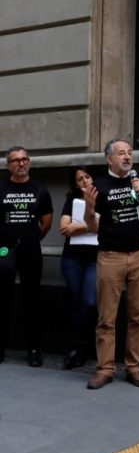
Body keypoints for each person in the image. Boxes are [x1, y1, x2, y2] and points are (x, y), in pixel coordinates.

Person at [83, 138, 139, 389]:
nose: (127, 157)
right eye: (121, 153)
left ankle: (134, 367)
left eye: (129, 153)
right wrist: (90, 209)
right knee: (107, 317)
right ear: (109, 159)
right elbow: (93, 227)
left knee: (138, 315)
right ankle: (105, 369)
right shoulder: (99, 185)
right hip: (111, 256)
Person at [0, 147, 53, 366]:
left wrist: (31, 238)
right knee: (2, 299)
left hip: (30, 249)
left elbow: (46, 221)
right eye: (15, 160)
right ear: (8, 165)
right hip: (4, 250)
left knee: (32, 299)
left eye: (24, 159)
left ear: (29, 162)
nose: (21, 163)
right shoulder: (1, 189)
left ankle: (33, 349)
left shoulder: (40, 190)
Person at [58, 166, 98, 369]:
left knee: (89, 302)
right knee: (75, 302)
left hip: (95, 261)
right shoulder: (71, 202)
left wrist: (80, 226)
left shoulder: (103, 199)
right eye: (79, 179)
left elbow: (106, 223)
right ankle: (77, 349)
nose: (84, 181)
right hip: (72, 260)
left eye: (87, 176)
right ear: (75, 184)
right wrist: (92, 224)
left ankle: (84, 346)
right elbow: (64, 228)